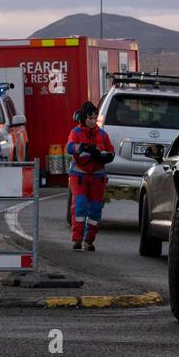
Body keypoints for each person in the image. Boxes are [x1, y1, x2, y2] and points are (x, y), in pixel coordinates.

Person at [65, 100, 114, 251]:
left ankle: (89, 240)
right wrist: (82, 147)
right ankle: (77, 239)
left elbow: (111, 152)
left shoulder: (102, 135)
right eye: (90, 118)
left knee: (94, 209)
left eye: (95, 118)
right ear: (84, 118)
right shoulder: (76, 132)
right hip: (79, 175)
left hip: (97, 176)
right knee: (79, 207)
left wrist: (105, 156)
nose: (93, 121)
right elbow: (69, 147)